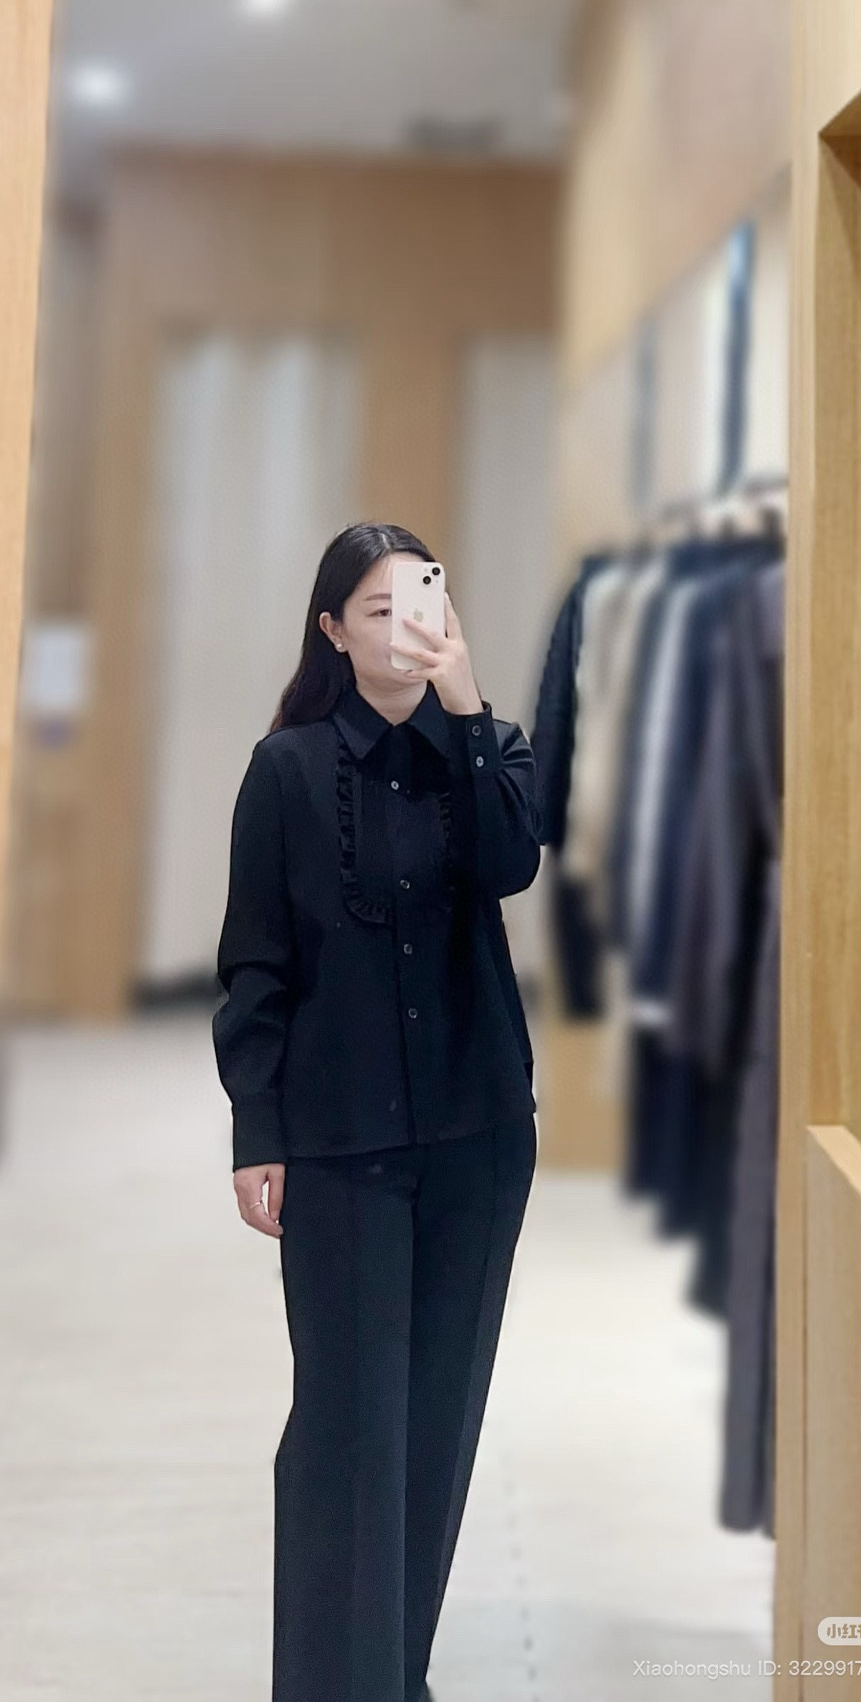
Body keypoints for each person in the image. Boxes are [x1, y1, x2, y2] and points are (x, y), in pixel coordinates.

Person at [212, 520, 541, 1702]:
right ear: (334, 631)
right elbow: (254, 964)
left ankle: (392, 1678)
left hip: (478, 1138)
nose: (407, 627)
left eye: (424, 601)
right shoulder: (287, 769)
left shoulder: (489, 749)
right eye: (379, 608)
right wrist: (258, 1130)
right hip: (340, 1144)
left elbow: (509, 863)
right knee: (348, 1428)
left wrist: (465, 710)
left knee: (436, 1426)